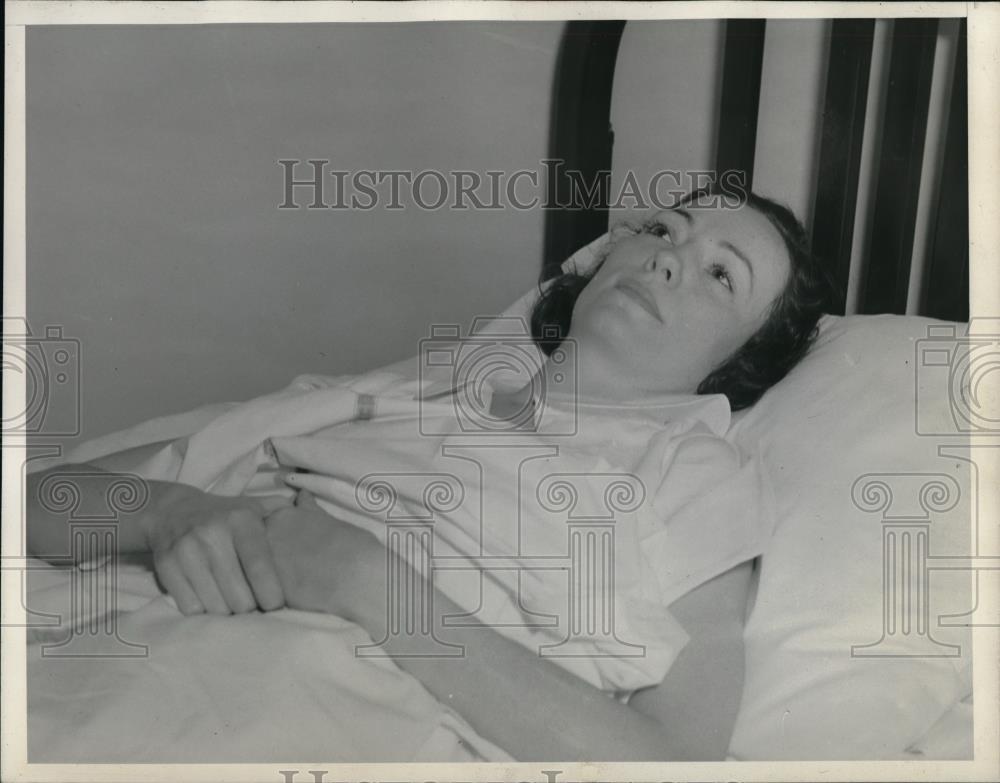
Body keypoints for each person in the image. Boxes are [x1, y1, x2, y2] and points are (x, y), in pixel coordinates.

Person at [26, 187, 831, 760]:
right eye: (663, 229)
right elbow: (35, 501)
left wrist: (371, 583)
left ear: (741, 362)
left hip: (309, 706)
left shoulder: (693, 471)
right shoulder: (409, 391)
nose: (667, 260)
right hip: (125, 644)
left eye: (721, 274)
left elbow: (671, 759)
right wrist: (167, 512)